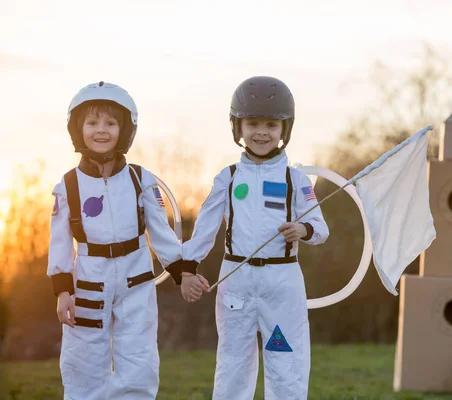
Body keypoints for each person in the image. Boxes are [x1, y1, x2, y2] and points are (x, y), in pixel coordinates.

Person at [47, 81, 209, 399]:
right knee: (83, 361)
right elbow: (60, 242)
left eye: (111, 123)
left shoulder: (140, 179)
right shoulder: (68, 185)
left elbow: (161, 233)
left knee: (139, 358)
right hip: (88, 282)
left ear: (126, 129)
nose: (101, 130)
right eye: (92, 123)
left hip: (136, 279)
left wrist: (183, 272)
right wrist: (62, 290)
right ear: (77, 129)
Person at [182, 76, 329, 399]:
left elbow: (320, 228)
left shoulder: (297, 179)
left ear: (284, 130)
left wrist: (302, 230)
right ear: (238, 127)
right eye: (252, 123)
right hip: (237, 282)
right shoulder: (228, 177)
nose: (261, 132)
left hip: (283, 282)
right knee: (233, 364)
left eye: (271, 125)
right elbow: (204, 230)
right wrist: (187, 271)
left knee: (286, 365)